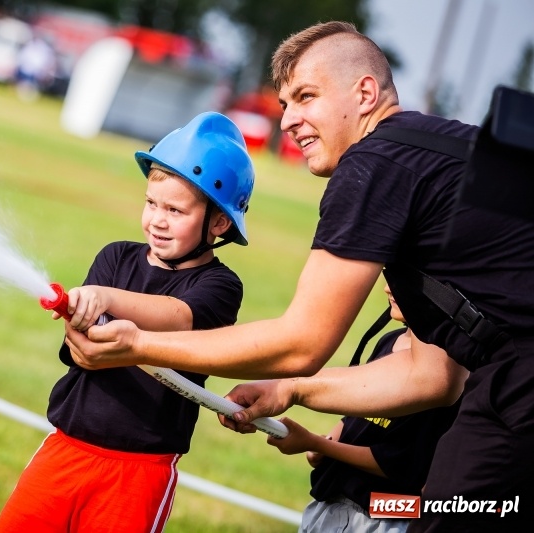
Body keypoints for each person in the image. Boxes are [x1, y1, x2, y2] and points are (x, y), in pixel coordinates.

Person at [65, 21, 534, 530]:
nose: (288, 120)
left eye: (305, 97)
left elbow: (302, 342)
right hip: (502, 386)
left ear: (365, 93)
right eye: (284, 103)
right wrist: (291, 389)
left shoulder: (374, 161)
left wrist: (139, 346)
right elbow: (431, 378)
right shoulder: (429, 157)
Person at [0, 112, 255, 533]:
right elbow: (84, 353)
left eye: (175, 210)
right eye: (152, 203)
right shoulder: (115, 257)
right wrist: (82, 319)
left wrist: (107, 298)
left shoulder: (220, 285)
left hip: (138, 470)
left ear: (219, 223)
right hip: (65, 449)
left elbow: (178, 317)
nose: (157, 220)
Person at [263, 285, 460, 532]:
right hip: (332, 506)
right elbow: (360, 411)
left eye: (405, 279)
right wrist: (329, 440)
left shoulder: (442, 374)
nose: (388, 286)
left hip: (381, 519)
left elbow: (402, 464)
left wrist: (315, 443)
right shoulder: (389, 340)